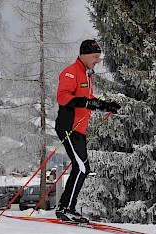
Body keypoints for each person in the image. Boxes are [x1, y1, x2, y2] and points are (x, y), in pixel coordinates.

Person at [55, 39, 120, 223]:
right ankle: (65, 208)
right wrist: (86, 102)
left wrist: (106, 105)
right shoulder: (70, 72)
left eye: (98, 57)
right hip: (68, 127)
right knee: (82, 167)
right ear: (84, 55)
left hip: (79, 129)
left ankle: (67, 208)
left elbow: (88, 98)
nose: (97, 61)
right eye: (94, 57)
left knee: (82, 168)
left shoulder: (87, 74)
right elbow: (63, 97)